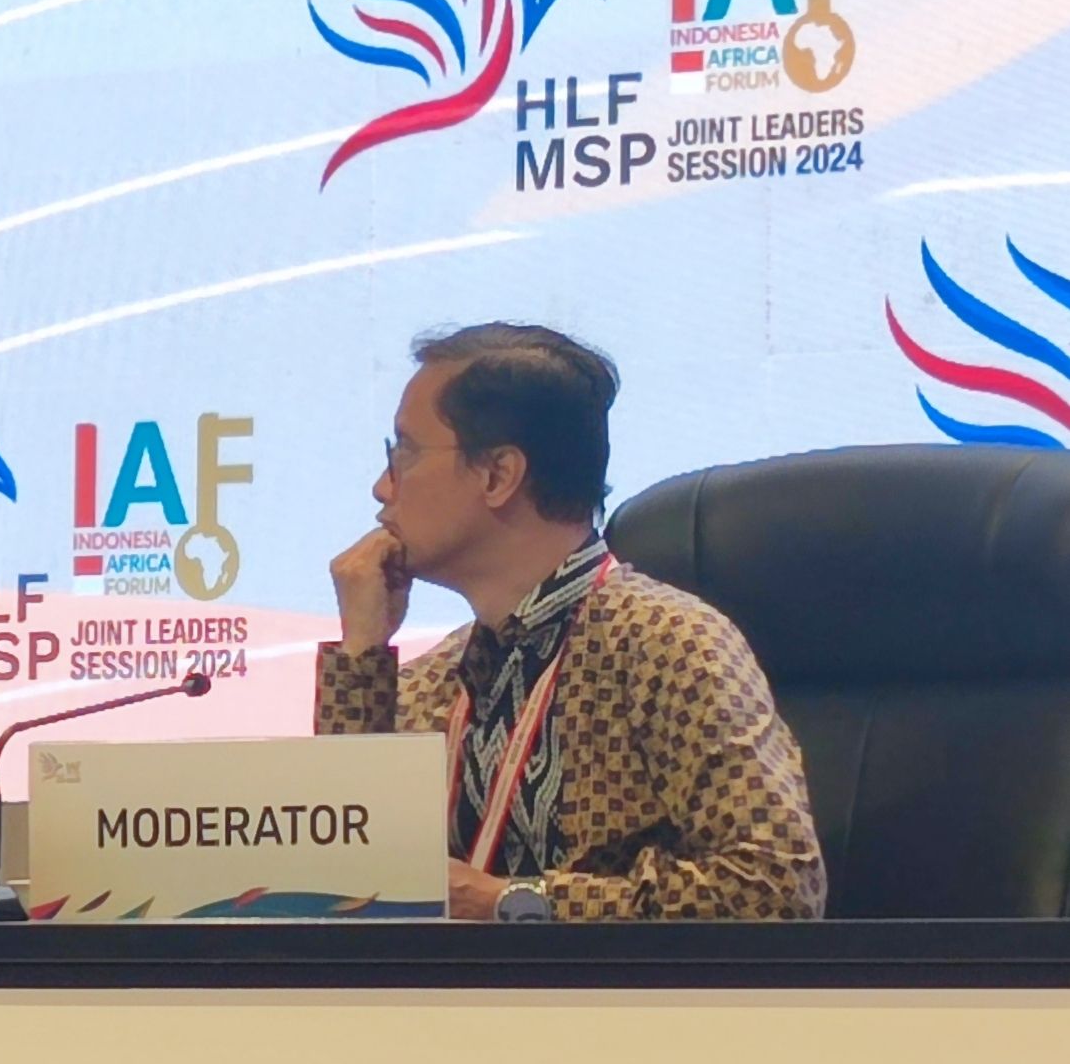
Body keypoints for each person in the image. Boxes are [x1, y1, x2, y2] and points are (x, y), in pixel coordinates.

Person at [318, 323, 824, 921]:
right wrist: (362, 654)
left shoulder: (669, 645)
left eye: (404, 452)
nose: (382, 488)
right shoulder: (435, 682)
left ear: (498, 475)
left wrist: (512, 903)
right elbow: (340, 881)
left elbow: (776, 888)